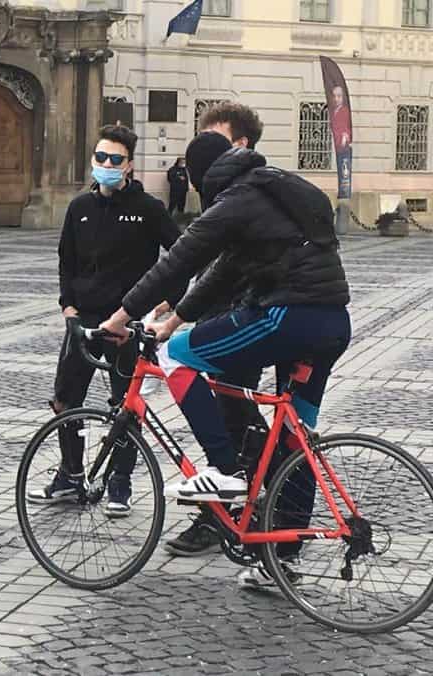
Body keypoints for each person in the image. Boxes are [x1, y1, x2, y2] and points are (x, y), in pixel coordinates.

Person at [99, 132, 351, 537]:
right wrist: (174, 320)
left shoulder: (236, 200)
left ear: (201, 177)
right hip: (332, 322)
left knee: (176, 357)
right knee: (294, 437)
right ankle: (284, 553)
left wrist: (119, 316)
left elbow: (179, 261)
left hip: (286, 314)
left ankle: (224, 469)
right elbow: (223, 273)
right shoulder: (266, 192)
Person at [29, 125, 184, 518]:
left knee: (124, 406)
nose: (107, 165)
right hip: (83, 321)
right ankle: (70, 474)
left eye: (116, 160)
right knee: (66, 399)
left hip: (126, 325)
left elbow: (183, 257)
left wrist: (167, 303)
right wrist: (68, 309)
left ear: (129, 164)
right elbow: (67, 260)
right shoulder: (80, 207)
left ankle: (120, 482)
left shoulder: (148, 208)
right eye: (101, 158)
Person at [161, 103, 268, 559]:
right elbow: (204, 267)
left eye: (216, 140)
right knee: (239, 418)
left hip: (244, 321)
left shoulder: (245, 198)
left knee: (234, 420)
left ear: (240, 145)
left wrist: (167, 316)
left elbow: (226, 269)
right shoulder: (224, 195)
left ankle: (225, 511)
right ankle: (246, 503)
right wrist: (176, 306)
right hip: (221, 318)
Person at [330, 85, 352, 196]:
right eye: (334, 96)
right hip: (337, 146)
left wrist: (344, 139)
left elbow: (346, 128)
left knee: (344, 172)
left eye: (339, 96)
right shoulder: (334, 111)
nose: (336, 99)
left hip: (342, 147)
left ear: (343, 97)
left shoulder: (344, 111)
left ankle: (344, 194)